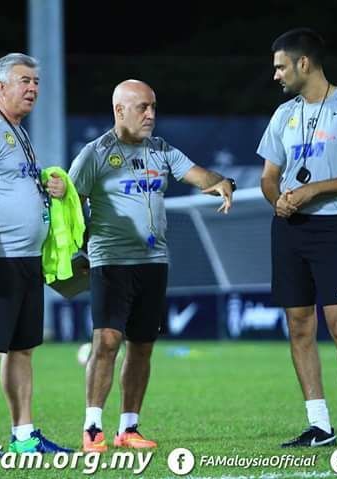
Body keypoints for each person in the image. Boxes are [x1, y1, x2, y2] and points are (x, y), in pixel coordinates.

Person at [69, 79, 236, 452]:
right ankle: (93, 428)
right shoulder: (95, 154)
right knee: (107, 341)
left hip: (154, 261)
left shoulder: (161, 150)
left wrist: (221, 182)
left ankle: (129, 428)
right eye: (142, 107)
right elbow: (70, 205)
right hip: (110, 260)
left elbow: (198, 176)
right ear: (119, 111)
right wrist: (76, 251)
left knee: (142, 345)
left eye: (154, 107)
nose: (151, 115)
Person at [258, 28, 337, 453]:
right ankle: (319, 425)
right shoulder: (283, 115)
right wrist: (279, 202)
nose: (275, 75)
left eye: (280, 66)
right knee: (298, 326)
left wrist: (313, 190)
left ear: (303, 63)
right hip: (289, 231)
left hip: (331, 229)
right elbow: (268, 178)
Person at [0, 53, 72, 456]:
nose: (33, 89)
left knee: (22, 348)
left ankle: (24, 435)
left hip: (26, 258)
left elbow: (14, 186)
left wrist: (50, 188)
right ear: (0, 86)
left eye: (36, 82)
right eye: (25, 81)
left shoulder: (17, 131)